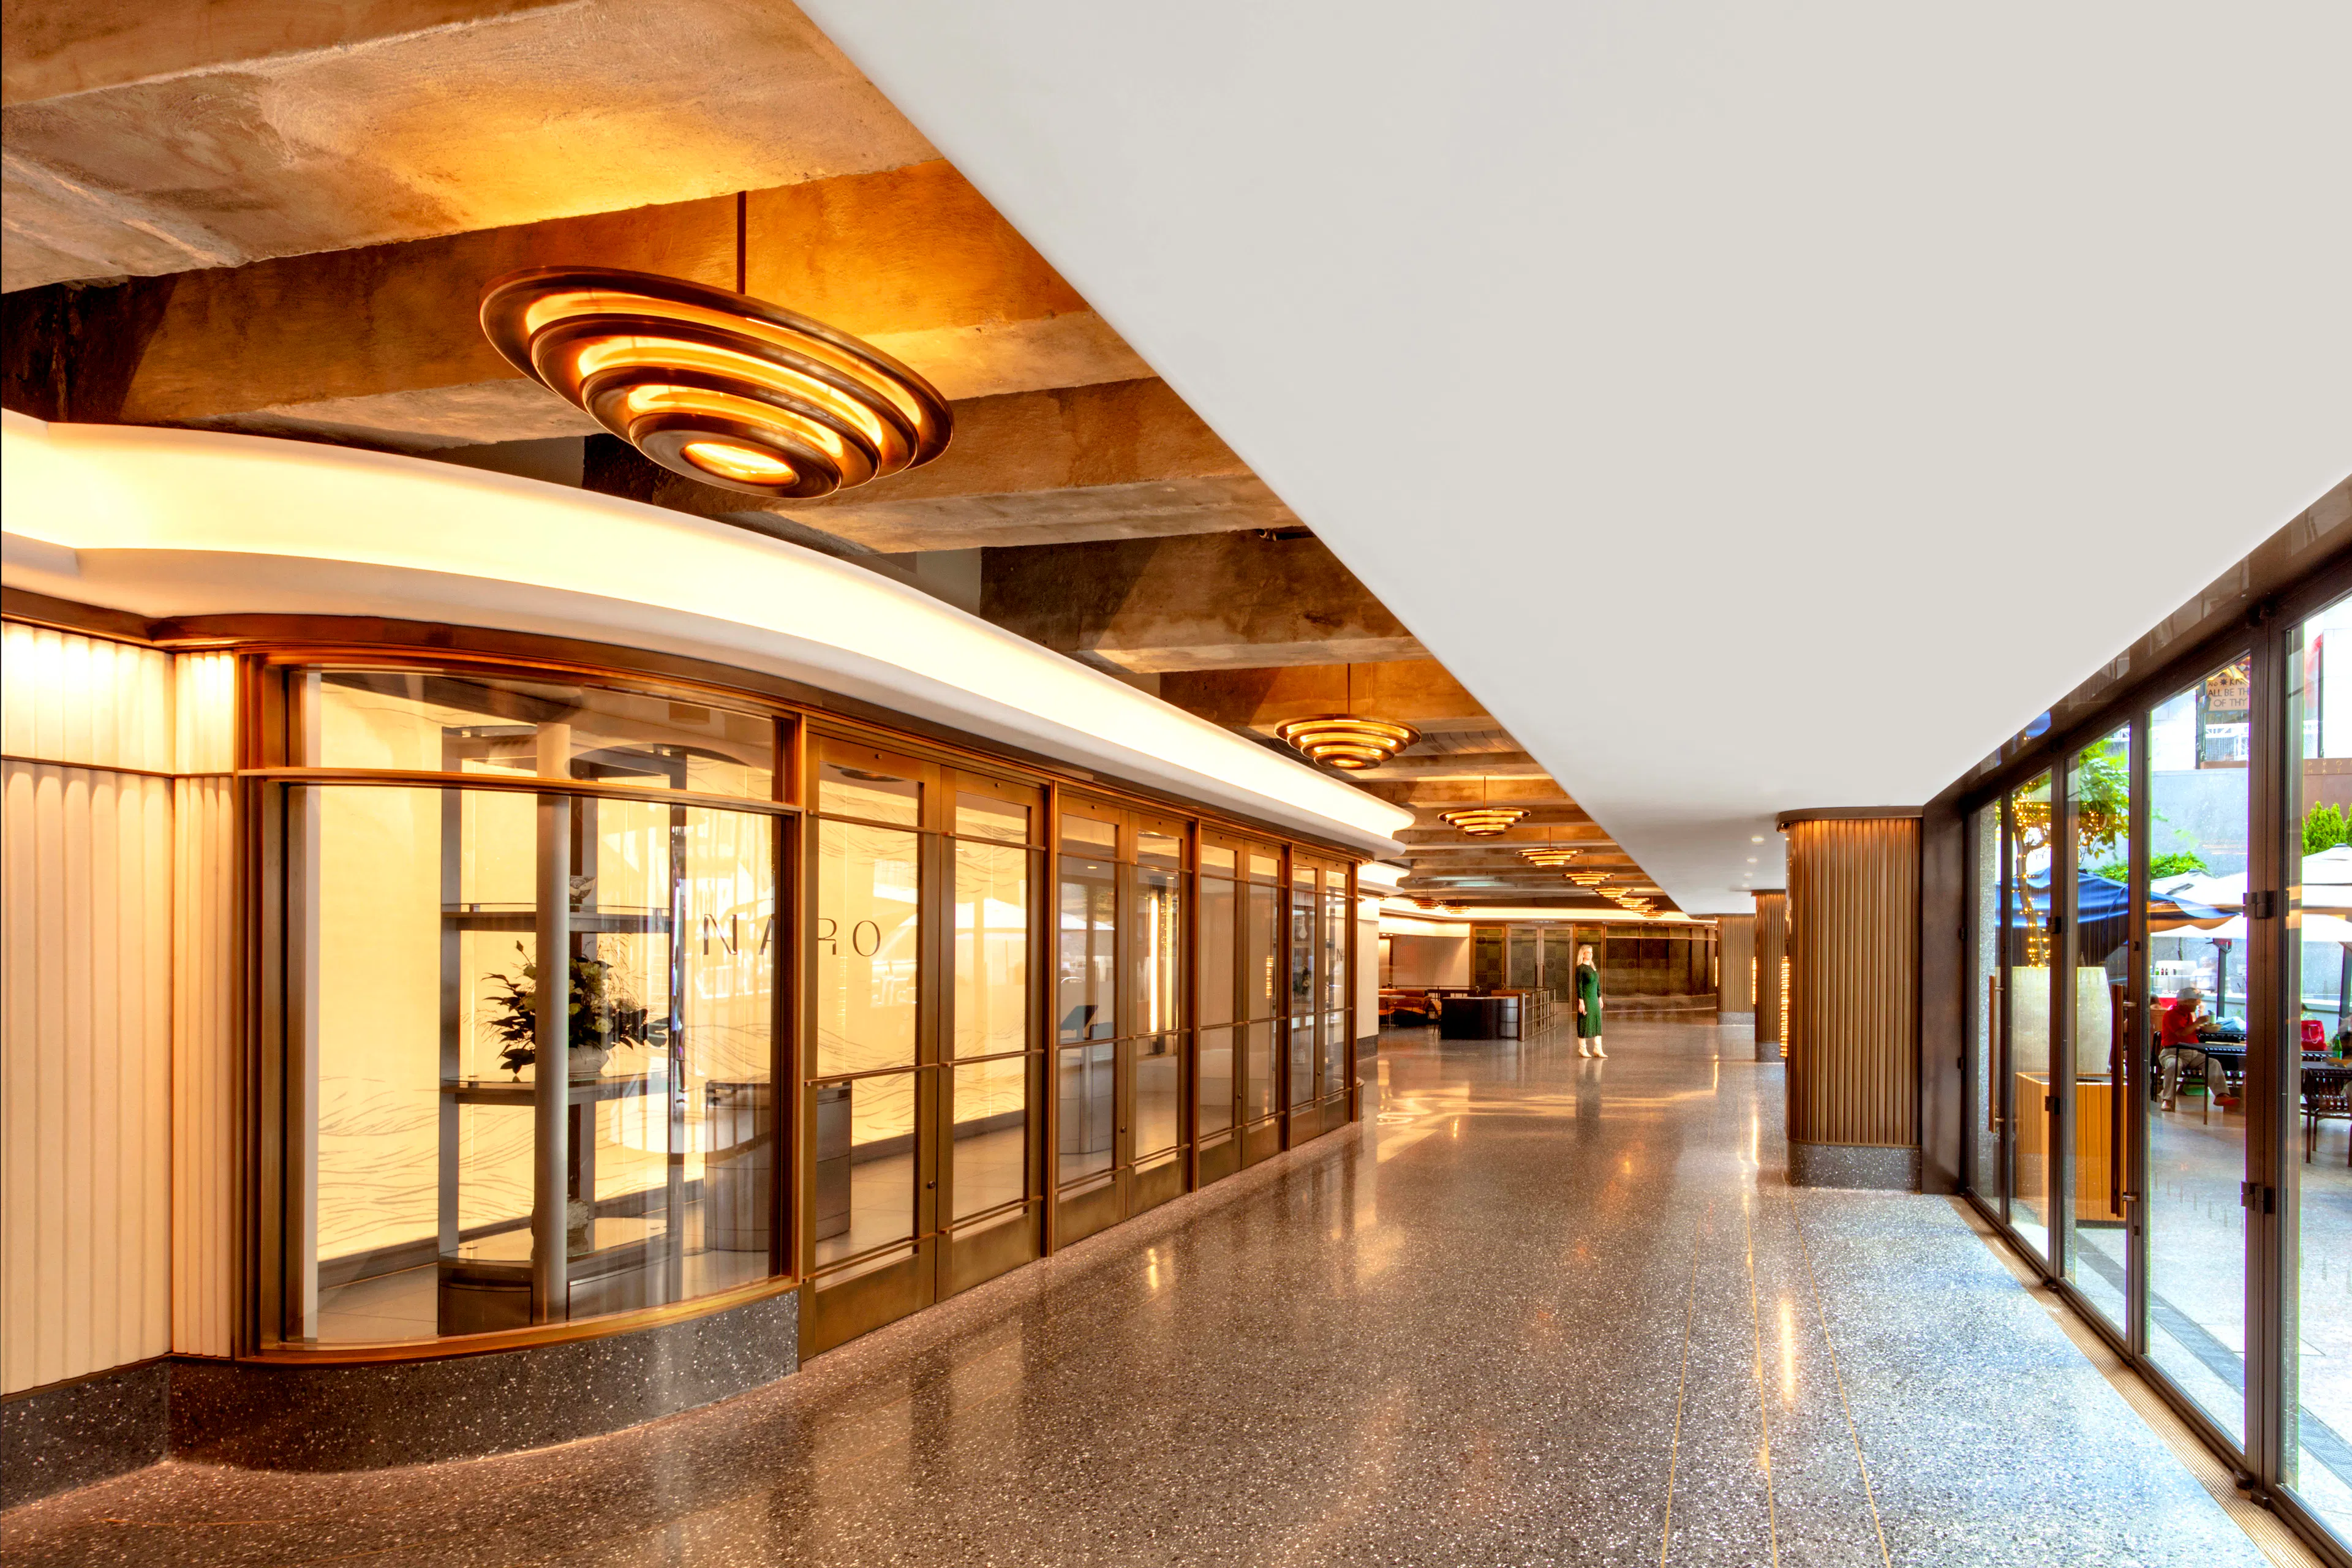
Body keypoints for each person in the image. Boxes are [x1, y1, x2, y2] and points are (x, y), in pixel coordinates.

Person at [2156, 983, 2207, 1108]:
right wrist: (2198, 1023)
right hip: (2174, 1052)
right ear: (2186, 1002)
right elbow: (2181, 1033)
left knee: (2212, 1063)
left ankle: (2222, 1095)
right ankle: (2168, 1099)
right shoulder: (2172, 1015)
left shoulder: (2189, 1015)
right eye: (2195, 1001)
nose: (2197, 1004)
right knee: (2173, 1066)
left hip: (2193, 1053)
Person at [1574, 944, 1605, 1058]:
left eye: (1592, 952)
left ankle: (1598, 1049)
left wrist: (1600, 997)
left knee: (1597, 1022)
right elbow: (1579, 986)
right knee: (1584, 1022)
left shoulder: (1592, 968)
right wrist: (1581, 1002)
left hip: (1594, 999)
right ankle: (1583, 1049)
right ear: (1583, 954)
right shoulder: (1580, 969)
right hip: (1586, 998)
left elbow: (1597, 984)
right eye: (1589, 952)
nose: (1591, 954)